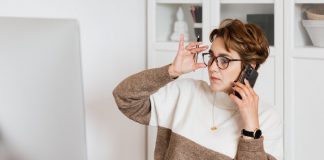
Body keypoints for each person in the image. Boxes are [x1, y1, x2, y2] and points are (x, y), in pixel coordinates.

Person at [113, 19, 283, 160]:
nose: (212, 67)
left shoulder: (266, 118)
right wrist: (172, 71)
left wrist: (250, 129)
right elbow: (124, 98)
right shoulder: (185, 93)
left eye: (224, 60)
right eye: (212, 57)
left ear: (249, 67)